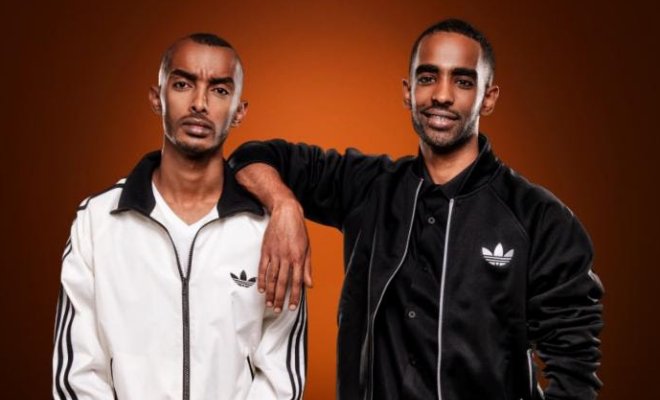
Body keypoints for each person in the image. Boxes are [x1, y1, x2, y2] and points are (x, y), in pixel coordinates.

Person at [229, 19, 604, 400]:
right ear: (408, 91)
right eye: (427, 78)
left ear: (488, 98)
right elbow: (251, 157)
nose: (441, 95)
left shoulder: (538, 218)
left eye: (462, 81)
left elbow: (574, 369)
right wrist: (284, 205)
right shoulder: (368, 187)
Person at [52, 33, 307, 400]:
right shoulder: (98, 221)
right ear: (157, 97)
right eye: (183, 84)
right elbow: (78, 372)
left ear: (239, 111)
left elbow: (281, 376)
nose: (199, 103)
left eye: (219, 90)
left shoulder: (271, 232)